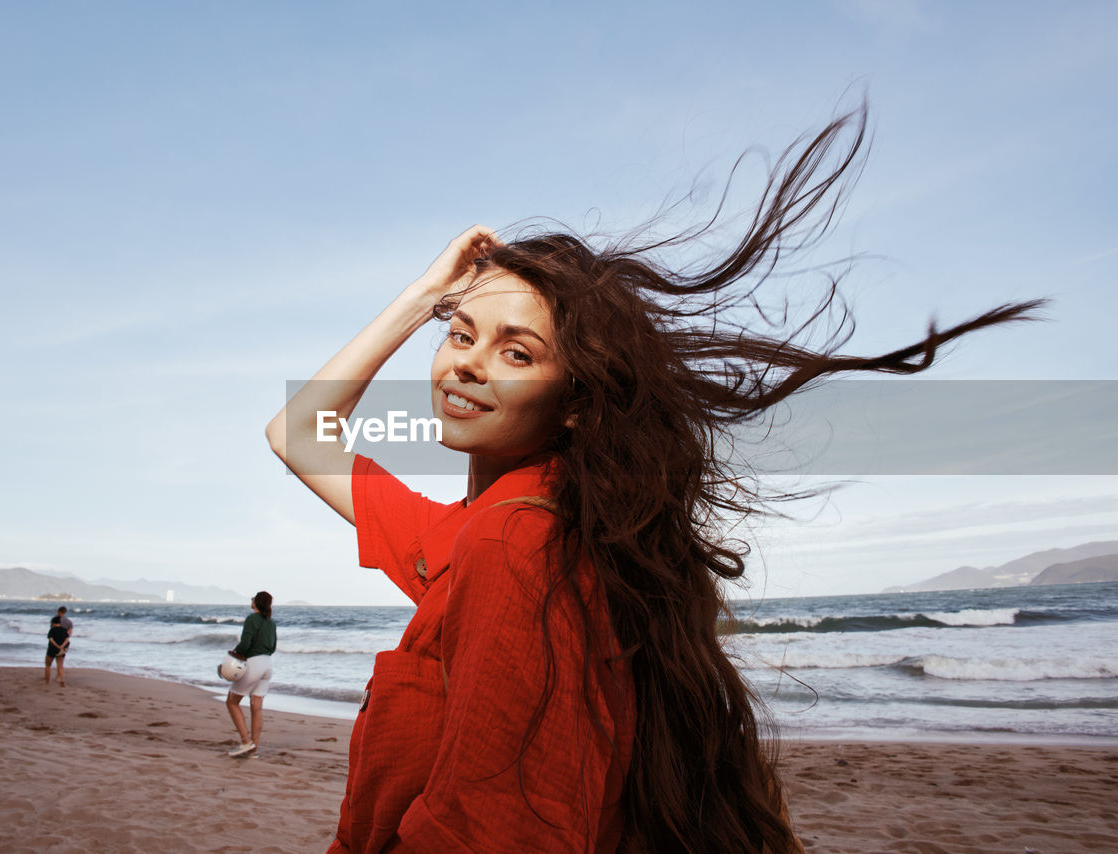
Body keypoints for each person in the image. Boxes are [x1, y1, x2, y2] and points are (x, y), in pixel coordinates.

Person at [266, 105, 1042, 852]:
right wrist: (422, 298)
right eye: (460, 334)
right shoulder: (470, 534)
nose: (466, 360)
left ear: (575, 400)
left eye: (518, 351)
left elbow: (501, 835)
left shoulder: (517, 540)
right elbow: (298, 434)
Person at [225, 590, 277, 758]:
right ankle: (253, 749)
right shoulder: (271, 623)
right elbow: (273, 646)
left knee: (232, 702)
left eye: (254, 598)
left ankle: (246, 741)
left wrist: (235, 653)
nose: (252, 600)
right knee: (257, 706)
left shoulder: (251, 619)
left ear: (256, 602)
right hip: (268, 664)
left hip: (254, 663)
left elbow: (246, 642)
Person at [44, 615, 69, 687]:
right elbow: (67, 639)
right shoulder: (64, 630)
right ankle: (62, 680)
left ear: (53, 623)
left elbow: (51, 640)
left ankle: (47, 681)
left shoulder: (52, 630)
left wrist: (57, 646)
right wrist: (61, 646)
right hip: (61, 650)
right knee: (60, 665)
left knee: (48, 665)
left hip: (52, 649)